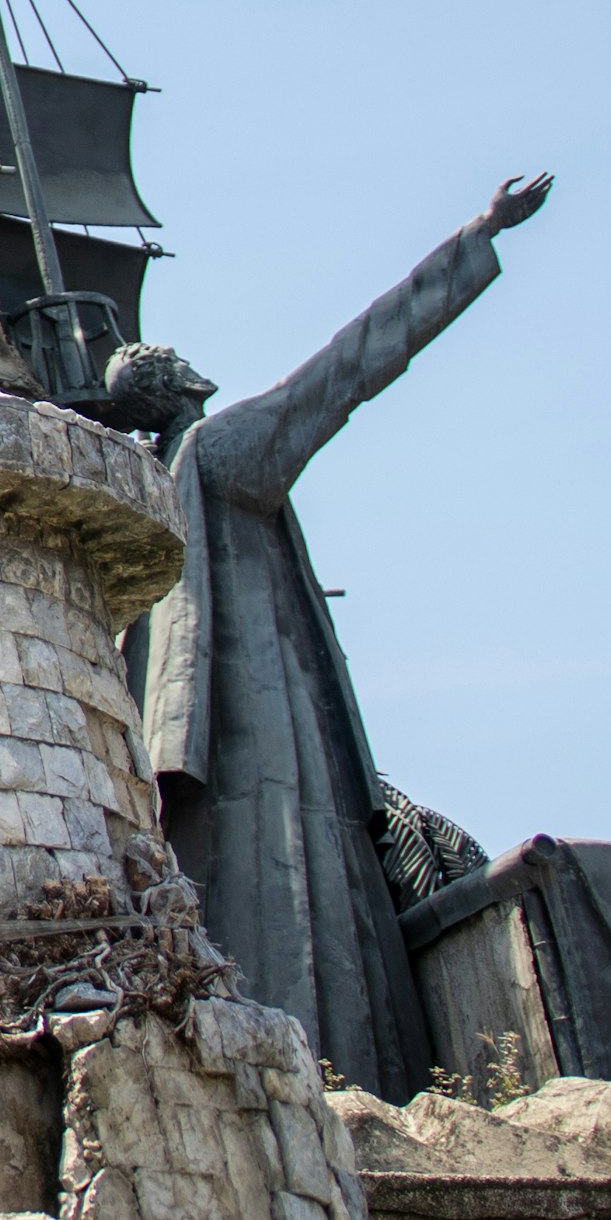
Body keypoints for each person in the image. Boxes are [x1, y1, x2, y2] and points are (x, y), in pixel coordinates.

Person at [108, 172, 552, 1095]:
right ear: (184, 382)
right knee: (306, 897)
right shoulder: (225, 453)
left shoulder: (160, 500)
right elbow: (351, 365)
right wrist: (478, 235)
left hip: (209, 759)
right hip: (272, 737)